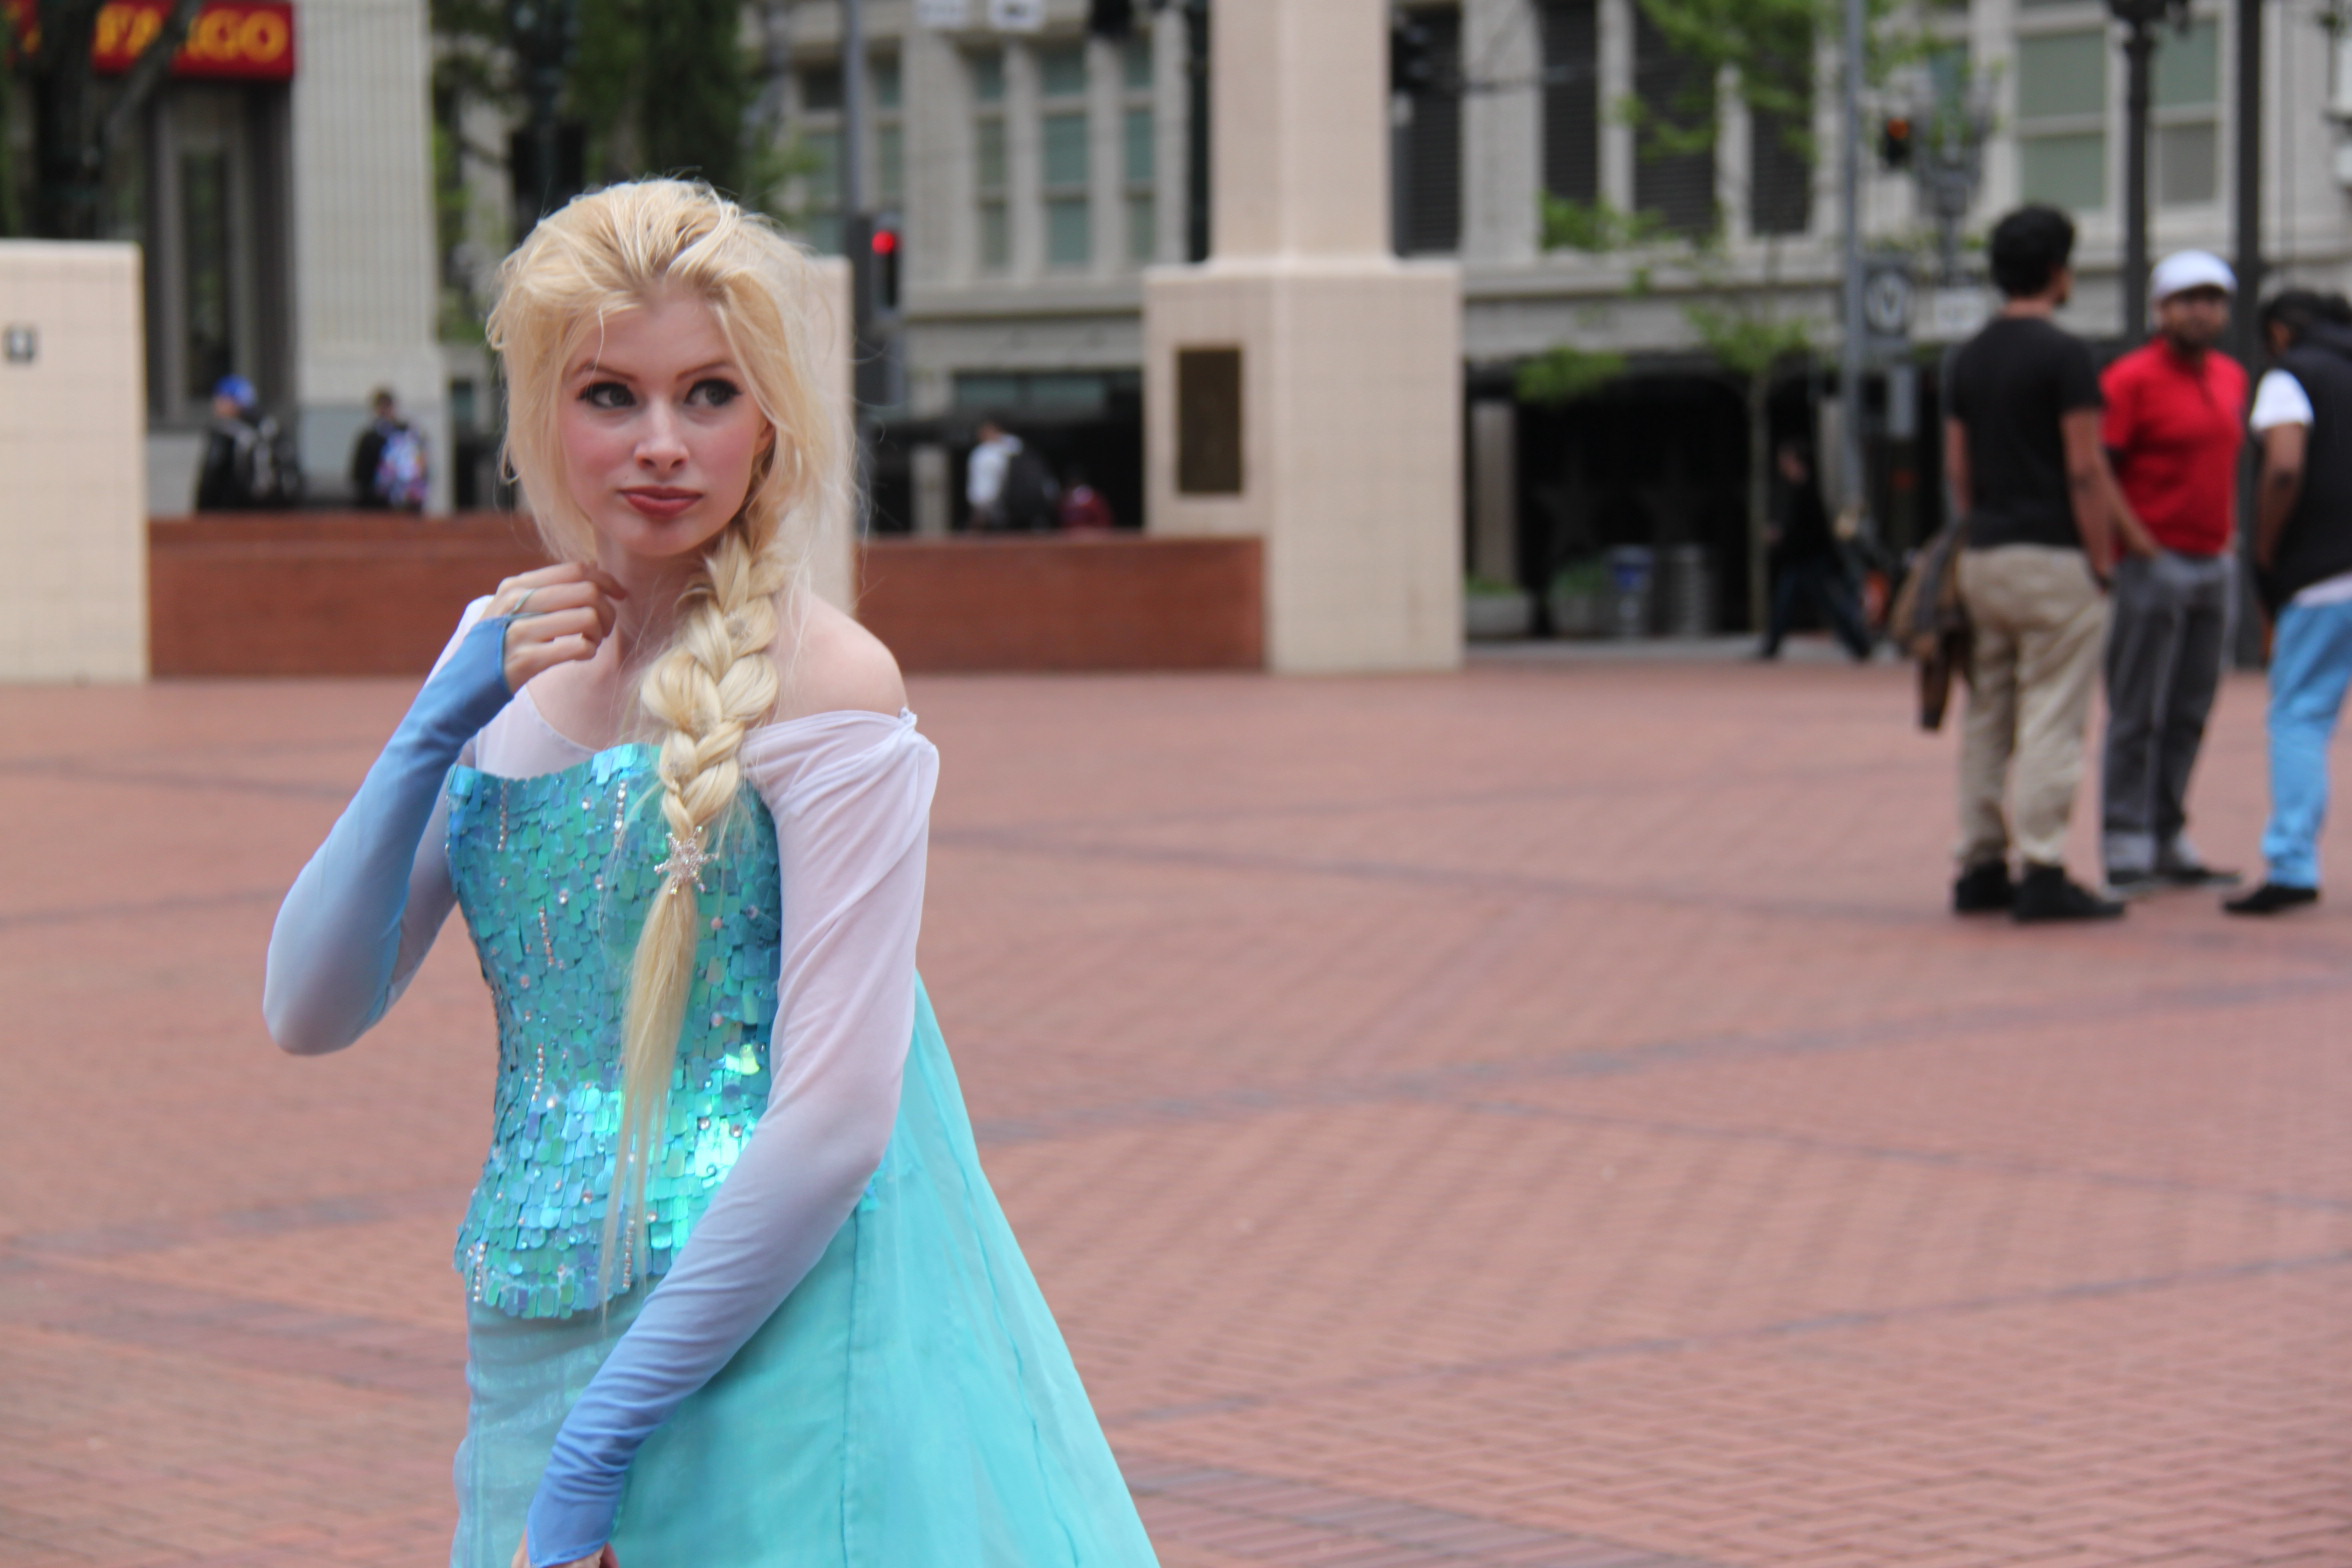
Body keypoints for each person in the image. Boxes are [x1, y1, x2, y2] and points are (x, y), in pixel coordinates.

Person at [262, 181, 1161, 1568]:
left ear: (771, 420)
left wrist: (603, 1439)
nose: (662, 444)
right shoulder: (505, 674)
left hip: (767, 1348)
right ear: (543, 417)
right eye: (610, 394)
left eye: (710, 394)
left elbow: (838, 1117)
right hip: (528, 1340)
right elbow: (308, 1008)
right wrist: (430, 725)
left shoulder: (830, 681)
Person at [1942, 205, 2125, 923]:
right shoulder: (2066, 355)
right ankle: (2043, 866)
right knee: (2053, 712)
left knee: (1988, 712)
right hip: (2053, 553)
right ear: (2057, 270)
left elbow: (1959, 469)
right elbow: (2085, 467)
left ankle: (1980, 863)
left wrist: (1975, 531)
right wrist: (2101, 558)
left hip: (1985, 553)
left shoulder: (1967, 357)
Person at [2096, 251, 2248, 894]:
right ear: (2161, 309)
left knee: (2190, 707)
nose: (2201, 312)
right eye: (2188, 300)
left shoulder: (2232, 377)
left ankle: (2167, 832)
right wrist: (2134, 541)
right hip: (2153, 563)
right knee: (2138, 708)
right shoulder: (2130, 380)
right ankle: (2124, 838)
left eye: (2212, 300)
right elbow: (2098, 468)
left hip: (2214, 560)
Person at [2226, 289, 2352, 915]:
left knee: (2300, 716)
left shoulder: (2291, 375)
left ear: (2278, 331)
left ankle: (2293, 863)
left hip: (2324, 574)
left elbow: (2283, 465)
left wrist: (2266, 549)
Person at [1756, 440, 1871, 661]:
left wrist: (1783, 537)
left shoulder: (1806, 489)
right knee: (1785, 603)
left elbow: (1808, 529)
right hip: (1800, 559)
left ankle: (1859, 644)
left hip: (1811, 560)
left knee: (1827, 604)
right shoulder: (1795, 488)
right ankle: (1771, 645)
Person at [194, 374, 299, 510]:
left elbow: (212, 479)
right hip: (279, 510)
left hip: (237, 511)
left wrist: (203, 509)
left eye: (220, 400)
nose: (215, 405)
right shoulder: (273, 428)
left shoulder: (227, 433)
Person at [351, 386, 431, 510]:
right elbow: (360, 473)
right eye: (381, 407)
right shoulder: (370, 438)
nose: (384, 411)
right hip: (379, 502)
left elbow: (421, 463)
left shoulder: (408, 433)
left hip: (407, 498)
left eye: (387, 406)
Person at [965, 416, 1021, 529]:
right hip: (983, 500)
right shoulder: (982, 451)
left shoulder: (1005, 448)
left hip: (1001, 498)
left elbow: (1015, 445)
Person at [1057, 464, 1116, 532]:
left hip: (1092, 535)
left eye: (1076, 479)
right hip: (1069, 536)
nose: (1073, 482)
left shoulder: (1094, 498)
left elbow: (1104, 520)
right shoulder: (1064, 499)